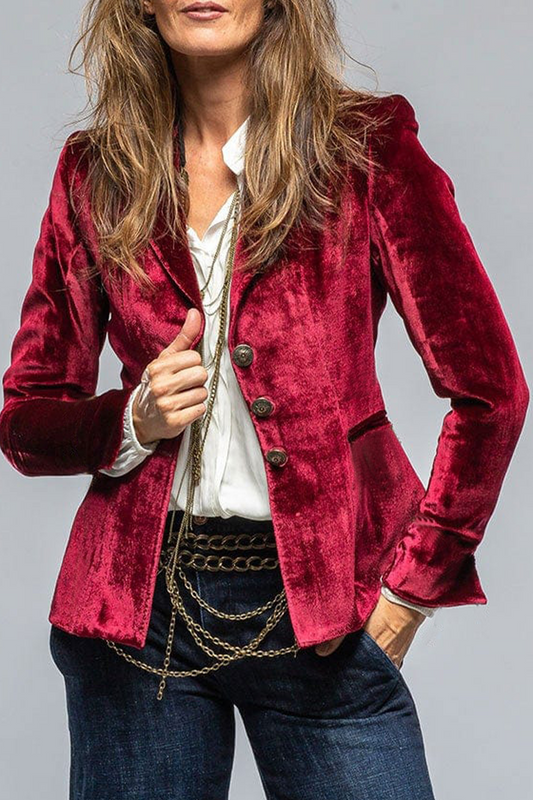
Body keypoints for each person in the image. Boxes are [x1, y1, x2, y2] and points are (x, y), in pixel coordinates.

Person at [0, 0, 529, 798]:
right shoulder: (95, 171)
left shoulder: (365, 149)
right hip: (136, 613)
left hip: (320, 609)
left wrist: (410, 592)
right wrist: (131, 421)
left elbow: (490, 392)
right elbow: (26, 420)